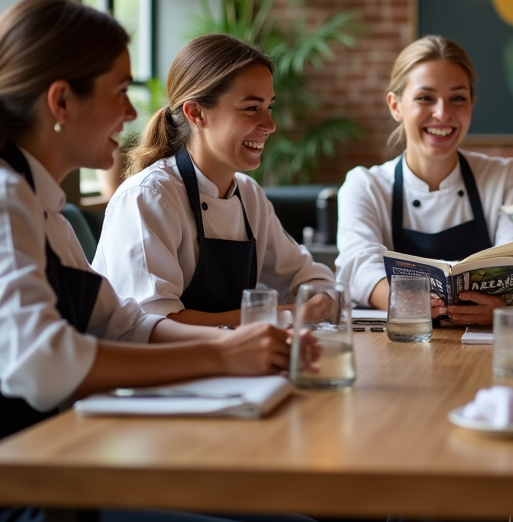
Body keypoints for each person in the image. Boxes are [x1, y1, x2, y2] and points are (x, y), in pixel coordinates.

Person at [0, 0, 331, 522]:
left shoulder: (42, 209)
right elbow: (44, 366)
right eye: (119, 91)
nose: (132, 113)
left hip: (37, 459)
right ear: (62, 101)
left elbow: (123, 325)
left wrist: (244, 343)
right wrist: (223, 355)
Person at [93, 34, 333, 327]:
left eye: (269, 107)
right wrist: (284, 314)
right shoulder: (149, 196)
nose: (270, 125)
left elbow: (309, 276)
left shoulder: (249, 195)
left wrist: (320, 298)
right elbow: (155, 325)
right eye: (251, 108)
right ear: (196, 113)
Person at [335, 36, 513, 327]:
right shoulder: (364, 185)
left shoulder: (505, 177)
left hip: (486, 341)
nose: (442, 113)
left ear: (472, 104)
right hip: (400, 339)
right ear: (395, 105)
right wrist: (408, 303)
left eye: (458, 98)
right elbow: (359, 269)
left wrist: (502, 307)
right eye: (425, 98)